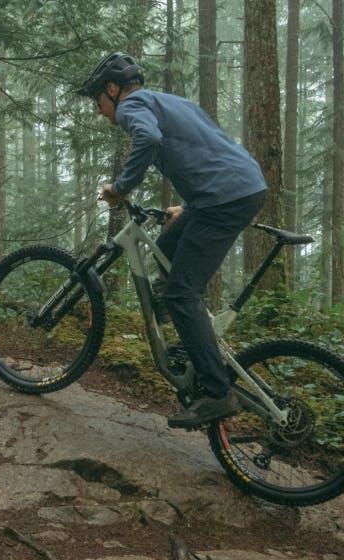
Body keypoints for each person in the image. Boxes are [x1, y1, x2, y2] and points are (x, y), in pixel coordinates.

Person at [77, 52, 267, 429]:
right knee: (164, 250)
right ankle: (187, 339)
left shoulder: (133, 106)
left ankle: (217, 392)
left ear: (113, 90)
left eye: (98, 101)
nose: (99, 110)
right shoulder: (170, 102)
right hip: (233, 188)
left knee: (181, 292)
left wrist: (121, 187)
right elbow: (206, 148)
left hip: (224, 197)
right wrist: (187, 205)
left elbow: (147, 138)